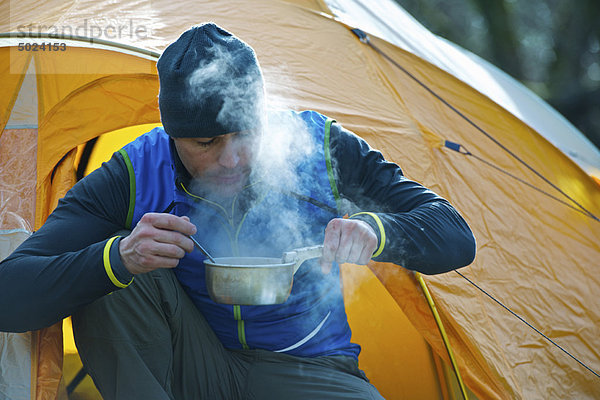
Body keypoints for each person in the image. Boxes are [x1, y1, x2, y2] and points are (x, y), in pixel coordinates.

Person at [0, 23, 476, 399]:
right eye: (205, 143)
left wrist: (376, 231)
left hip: (310, 370)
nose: (230, 159)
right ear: (172, 135)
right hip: (193, 363)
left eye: (245, 135)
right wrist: (119, 258)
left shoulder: (320, 147)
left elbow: (456, 237)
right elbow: (9, 294)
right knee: (117, 266)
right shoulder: (134, 170)